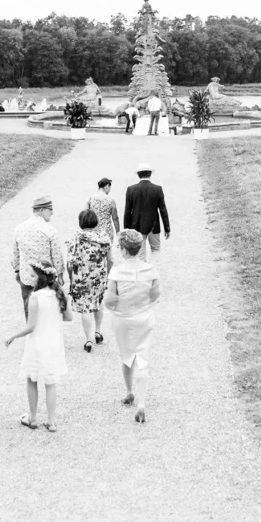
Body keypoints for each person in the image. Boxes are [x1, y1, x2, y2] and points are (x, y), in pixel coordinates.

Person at [4, 260, 73, 432]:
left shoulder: (35, 297)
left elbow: (31, 326)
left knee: (32, 379)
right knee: (50, 383)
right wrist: (53, 317)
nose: (31, 279)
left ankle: (33, 417)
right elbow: (69, 317)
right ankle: (51, 421)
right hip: (54, 344)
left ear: (42, 278)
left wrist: (12, 336)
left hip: (37, 344)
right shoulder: (59, 294)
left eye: (33, 276)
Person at [104, 229, 162, 423]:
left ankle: (129, 392)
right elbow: (155, 296)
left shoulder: (117, 272)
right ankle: (142, 403)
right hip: (144, 318)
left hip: (122, 319)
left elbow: (109, 302)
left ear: (124, 250)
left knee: (126, 355)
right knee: (142, 358)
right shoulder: (150, 270)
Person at [66, 209, 113, 353]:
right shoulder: (103, 238)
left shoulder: (75, 239)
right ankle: (98, 331)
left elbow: (69, 262)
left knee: (85, 308)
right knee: (98, 302)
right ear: (95, 222)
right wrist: (107, 273)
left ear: (81, 222)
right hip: (99, 276)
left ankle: (88, 340)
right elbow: (111, 259)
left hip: (81, 278)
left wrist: (71, 277)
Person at [11, 195, 64, 320]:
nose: (52, 212)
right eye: (49, 209)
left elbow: (15, 253)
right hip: (46, 278)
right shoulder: (50, 230)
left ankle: (31, 333)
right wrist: (60, 275)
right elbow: (56, 256)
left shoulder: (20, 228)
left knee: (28, 307)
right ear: (41, 210)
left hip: (26, 276)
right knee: (47, 308)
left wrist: (17, 270)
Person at [123, 163, 171, 263]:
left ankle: (142, 275)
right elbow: (163, 210)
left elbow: (127, 211)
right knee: (156, 250)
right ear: (150, 174)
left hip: (137, 226)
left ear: (138, 174)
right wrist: (167, 228)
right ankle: (154, 272)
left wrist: (126, 230)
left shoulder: (131, 189)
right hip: (154, 226)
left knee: (140, 253)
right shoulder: (157, 189)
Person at [87, 177, 120, 245]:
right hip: (107, 232)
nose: (109, 191)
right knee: (107, 252)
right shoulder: (111, 201)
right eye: (110, 188)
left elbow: (87, 216)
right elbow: (115, 218)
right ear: (107, 186)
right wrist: (118, 232)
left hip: (94, 231)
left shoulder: (91, 199)